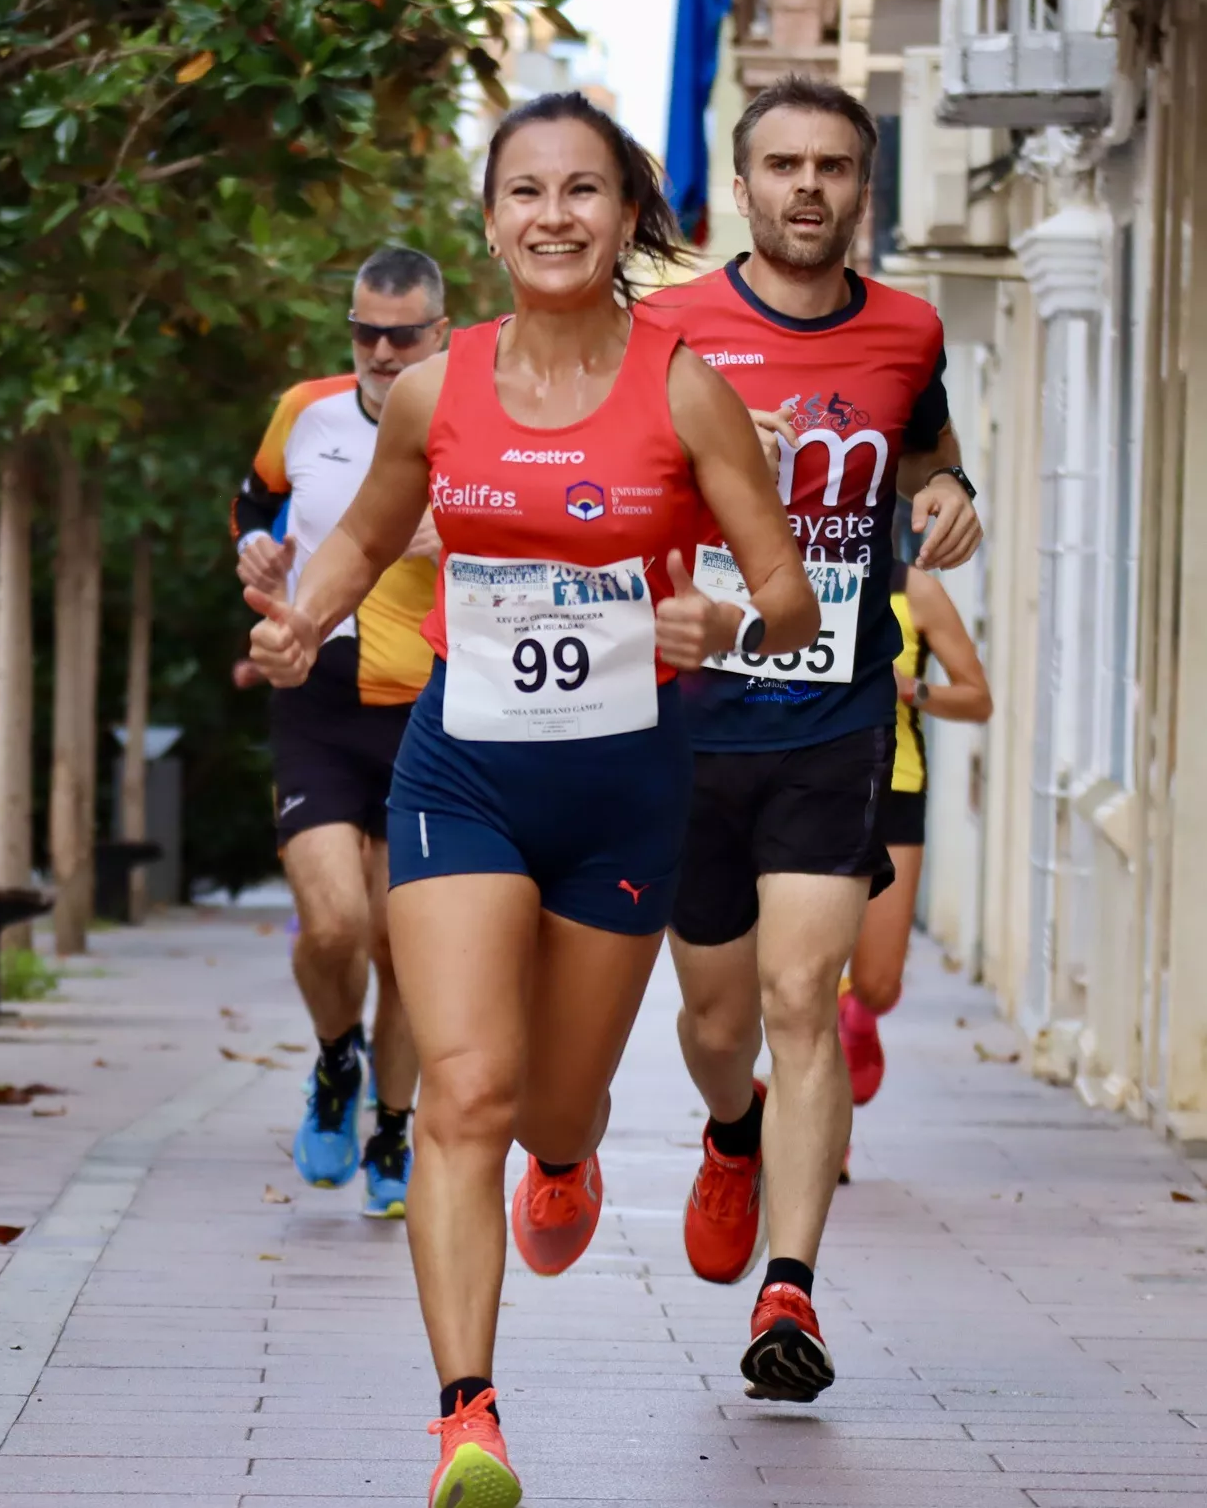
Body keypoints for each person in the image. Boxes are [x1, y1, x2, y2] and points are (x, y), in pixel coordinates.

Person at [246, 91, 818, 1508]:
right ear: (490, 218)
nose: (552, 215)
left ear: (628, 215)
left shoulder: (686, 387)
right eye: (524, 191)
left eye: (582, 190)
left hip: (626, 787)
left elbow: (791, 592)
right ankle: (467, 1419)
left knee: (554, 1105)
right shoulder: (445, 386)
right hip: (466, 768)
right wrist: (300, 619)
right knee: (466, 1089)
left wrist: (723, 625)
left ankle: (576, 1154)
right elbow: (373, 528)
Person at [642, 73, 984, 1404]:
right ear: (742, 186)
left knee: (804, 1000)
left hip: (837, 715)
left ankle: (791, 1289)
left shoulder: (907, 326)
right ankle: (730, 1131)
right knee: (716, 1015)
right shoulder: (667, 327)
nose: (807, 187)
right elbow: (610, 482)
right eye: (782, 164)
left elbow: (925, 449)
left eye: (832, 166)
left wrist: (950, 491)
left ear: (862, 185)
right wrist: (712, 460)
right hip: (689, 725)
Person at [229, 246, 449, 1218]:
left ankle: (394, 1123)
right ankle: (334, 1059)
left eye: (403, 334)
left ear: (439, 331)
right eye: (366, 331)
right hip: (317, 690)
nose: (382, 350)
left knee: (403, 944)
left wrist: (464, 534)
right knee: (335, 924)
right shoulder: (306, 410)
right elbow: (253, 495)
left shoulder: (472, 411)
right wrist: (256, 548)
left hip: (430, 701)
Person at [839, 560, 992, 1104]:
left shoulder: (915, 592)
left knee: (878, 984)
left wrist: (913, 690)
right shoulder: (779, 571)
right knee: (802, 985)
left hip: (894, 787)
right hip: (804, 788)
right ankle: (820, 1127)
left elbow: (978, 697)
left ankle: (856, 1019)